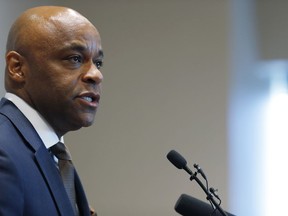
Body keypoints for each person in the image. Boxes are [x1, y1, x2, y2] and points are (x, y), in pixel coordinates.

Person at [0, 5, 104, 216]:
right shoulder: (4, 152)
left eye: (98, 62)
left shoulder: (53, 154)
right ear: (17, 68)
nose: (96, 75)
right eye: (75, 58)